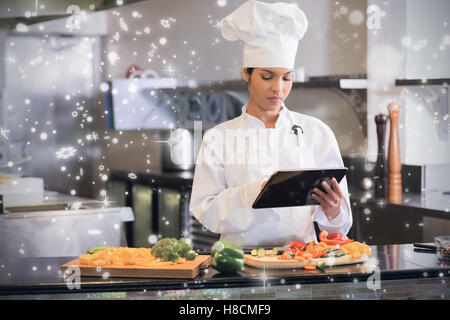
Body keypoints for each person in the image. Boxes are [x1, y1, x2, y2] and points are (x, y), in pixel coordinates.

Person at [189, 0, 352, 248]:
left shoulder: (317, 132)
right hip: (238, 262)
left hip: (300, 259)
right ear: (246, 72)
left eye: (287, 78)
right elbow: (205, 210)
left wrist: (333, 210)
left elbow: (339, 226)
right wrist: (256, 192)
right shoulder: (218, 137)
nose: (278, 88)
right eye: (267, 76)